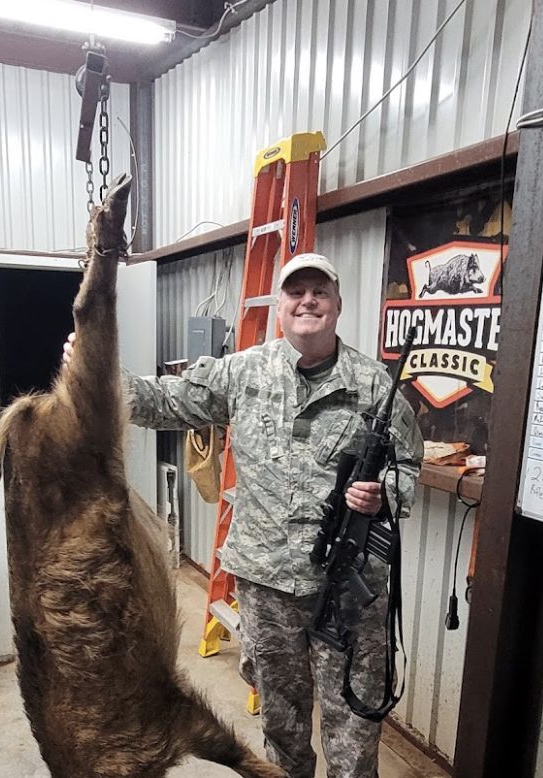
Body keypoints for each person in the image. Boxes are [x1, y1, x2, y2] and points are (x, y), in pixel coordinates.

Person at [63, 252, 423, 778]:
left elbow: (409, 465)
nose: (307, 301)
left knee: (353, 731)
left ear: (338, 305)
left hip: (348, 590)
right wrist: (97, 373)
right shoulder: (243, 372)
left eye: (319, 292)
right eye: (295, 292)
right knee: (281, 723)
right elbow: (164, 401)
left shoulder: (373, 387)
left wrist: (385, 494)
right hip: (267, 584)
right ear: (279, 306)